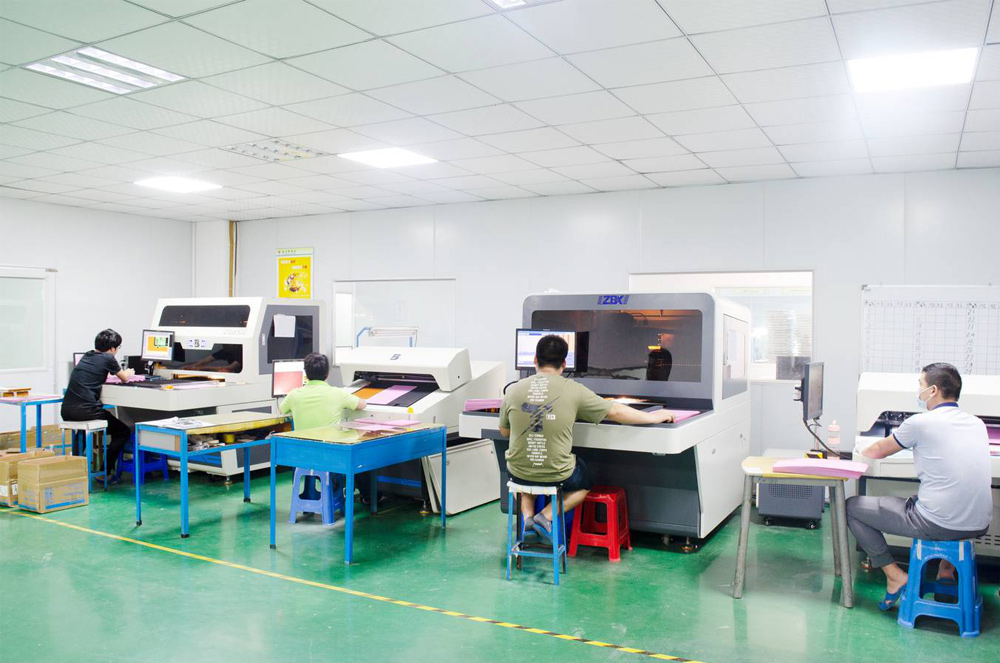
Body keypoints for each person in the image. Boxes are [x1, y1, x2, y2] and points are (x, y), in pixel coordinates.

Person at [499, 334, 676, 543]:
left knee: (525, 475)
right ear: (564, 364)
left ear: (535, 360)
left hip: (517, 471)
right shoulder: (574, 390)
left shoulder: (513, 391)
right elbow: (616, 412)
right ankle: (544, 517)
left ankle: (528, 520)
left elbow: (505, 432)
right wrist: (654, 417)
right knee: (584, 482)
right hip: (556, 472)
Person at [847, 362, 992, 611]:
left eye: (920, 385)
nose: (918, 391)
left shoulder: (921, 423)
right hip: (979, 524)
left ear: (933, 390)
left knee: (851, 507)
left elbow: (878, 450)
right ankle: (946, 571)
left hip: (937, 523)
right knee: (939, 497)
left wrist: (860, 448)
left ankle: (894, 576)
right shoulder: (977, 423)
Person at [62, 329, 135, 480]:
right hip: (87, 411)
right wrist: (130, 372)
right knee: (123, 432)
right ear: (112, 348)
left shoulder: (87, 355)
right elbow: (124, 378)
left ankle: (72, 470)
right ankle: (105, 472)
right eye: (118, 348)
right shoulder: (108, 358)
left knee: (82, 431)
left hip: (67, 410)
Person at [278, 353, 366, 429]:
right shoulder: (338, 393)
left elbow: (281, 410)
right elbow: (362, 405)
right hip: (328, 443)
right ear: (328, 373)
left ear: (306, 373)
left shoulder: (294, 395)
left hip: (303, 443)